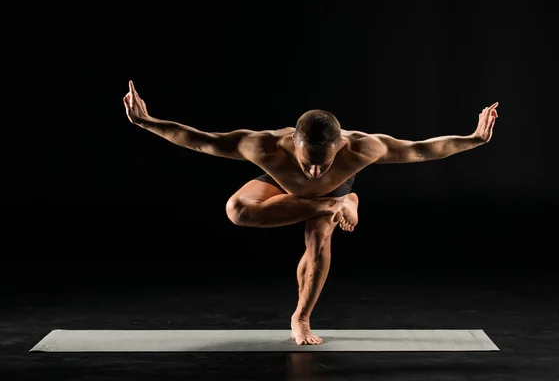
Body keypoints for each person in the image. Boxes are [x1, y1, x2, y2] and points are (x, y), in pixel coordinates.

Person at [123, 80, 499, 345]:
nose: (315, 171)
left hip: (334, 192)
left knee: (319, 237)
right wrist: (147, 122)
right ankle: (336, 204)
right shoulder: (266, 147)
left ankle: (301, 317)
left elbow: (421, 150)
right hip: (298, 191)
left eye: (324, 162)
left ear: (340, 145)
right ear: (294, 144)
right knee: (237, 210)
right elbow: (202, 141)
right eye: (308, 162)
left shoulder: (363, 148)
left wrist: (474, 139)